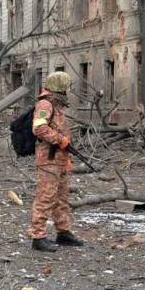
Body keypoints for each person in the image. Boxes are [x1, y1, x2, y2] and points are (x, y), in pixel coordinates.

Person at [29, 71, 85, 252]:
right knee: (45, 198)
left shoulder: (56, 104)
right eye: (66, 86)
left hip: (59, 160)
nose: (68, 90)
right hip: (48, 160)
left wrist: (66, 158)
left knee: (61, 199)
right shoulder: (45, 104)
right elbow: (39, 128)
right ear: (59, 87)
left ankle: (63, 233)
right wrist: (59, 140)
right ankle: (38, 237)